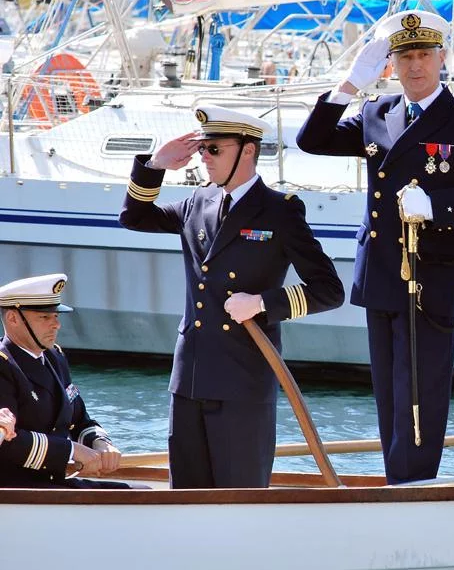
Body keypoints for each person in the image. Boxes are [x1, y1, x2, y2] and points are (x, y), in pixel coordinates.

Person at [297, 10, 454, 484]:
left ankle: (414, 487)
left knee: (420, 392)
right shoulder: (377, 112)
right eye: (405, 56)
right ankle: (396, 483)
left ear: (441, 57)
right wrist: (349, 86)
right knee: (389, 392)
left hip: (429, 273)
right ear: (390, 64)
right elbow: (312, 140)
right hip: (381, 269)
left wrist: (437, 206)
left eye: (424, 55)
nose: (415, 66)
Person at [119, 105, 345, 488]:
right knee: (185, 498)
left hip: (243, 382)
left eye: (214, 149)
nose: (204, 158)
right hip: (189, 378)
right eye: (202, 149)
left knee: (239, 498)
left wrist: (262, 304)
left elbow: (329, 291)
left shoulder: (280, 211)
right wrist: (156, 164)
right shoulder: (196, 203)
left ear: (248, 151)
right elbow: (135, 217)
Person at [0, 273, 131, 488]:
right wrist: (72, 451)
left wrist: (101, 444)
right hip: (18, 490)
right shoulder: (3, 365)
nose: (56, 325)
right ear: (13, 319)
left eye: (56, 317)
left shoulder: (54, 357)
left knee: (137, 493)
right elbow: (7, 442)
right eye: (44, 318)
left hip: (54, 484)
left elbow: (79, 420)